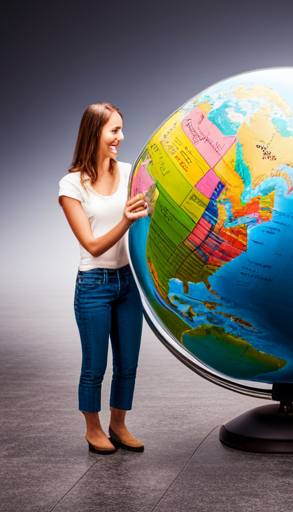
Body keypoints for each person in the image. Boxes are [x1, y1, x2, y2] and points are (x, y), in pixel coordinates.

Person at [58, 103, 149, 454]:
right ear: (94, 133)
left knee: (128, 364)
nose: (121, 137)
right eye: (114, 130)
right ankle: (93, 429)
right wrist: (126, 219)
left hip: (127, 283)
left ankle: (119, 425)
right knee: (95, 365)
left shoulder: (129, 173)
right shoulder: (71, 185)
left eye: (121, 129)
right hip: (93, 286)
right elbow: (92, 245)